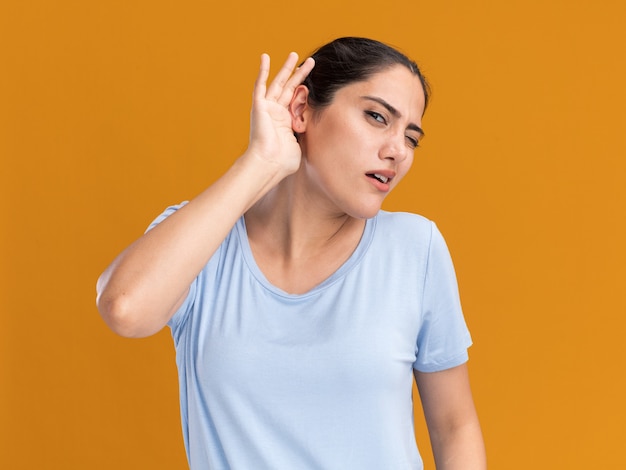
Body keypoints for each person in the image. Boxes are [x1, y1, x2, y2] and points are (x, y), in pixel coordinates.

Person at [96, 37, 486, 469]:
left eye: (412, 137)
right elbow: (125, 309)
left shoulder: (415, 248)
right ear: (301, 110)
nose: (398, 150)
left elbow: (454, 426)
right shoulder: (202, 240)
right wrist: (260, 162)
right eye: (377, 117)